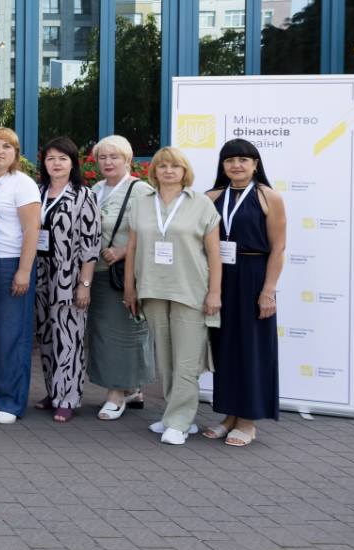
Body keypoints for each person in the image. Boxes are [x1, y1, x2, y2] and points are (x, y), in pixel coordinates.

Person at [122, 147, 223, 446]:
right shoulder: (141, 203)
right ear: (154, 171)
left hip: (190, 291)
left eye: (175, 166)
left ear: (184, 171)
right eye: (162, 166)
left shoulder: (201, 204)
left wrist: (215, 292)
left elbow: (214, 253)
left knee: (186, 361)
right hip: (152, 289)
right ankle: (175, 416)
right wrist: (129, 287)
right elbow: (132, 248)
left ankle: (179, 421)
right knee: (165, 360)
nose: (168, 171)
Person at [204, 139, 285, 447]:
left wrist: (269, 291)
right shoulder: (212, 197)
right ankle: (229, 415)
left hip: (253, 276)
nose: (236, 165)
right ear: (222, 165)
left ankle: (248, 420)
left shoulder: (268, 197)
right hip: (220, 277)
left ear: (255, 164)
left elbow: (278, 248)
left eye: (243, 160)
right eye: (229, 160)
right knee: (224, 347)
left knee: (252, 348)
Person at [33, 137, 101, 423]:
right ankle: (53, 391)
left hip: (68, 276)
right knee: (47, 335)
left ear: (73, 163)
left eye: (62, 158)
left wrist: (84, 284)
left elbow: (91, 244)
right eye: (51, 158)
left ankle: (69, 397)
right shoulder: (37, 192)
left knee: (69, 336)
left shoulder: (84, 195)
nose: (56, 163)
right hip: (39, 273)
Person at [88, 135, 153, 421]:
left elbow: (155, 230)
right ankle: (132, 387)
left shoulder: (141, 191)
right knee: (108, 331)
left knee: (123, 333)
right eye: (102, 157)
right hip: (98, 271)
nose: (108, 162)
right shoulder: (96, 189)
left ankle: (116, 394)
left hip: (125, 272)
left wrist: (123, 250)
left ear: (128, 159)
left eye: (114, 156)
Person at [0, 127, 40, 425]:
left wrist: (24, 270)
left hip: (10, 263)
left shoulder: (22, 184)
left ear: (15, 153)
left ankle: (9, 401)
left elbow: (32, 229)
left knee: (9, 335)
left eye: (7, 146)